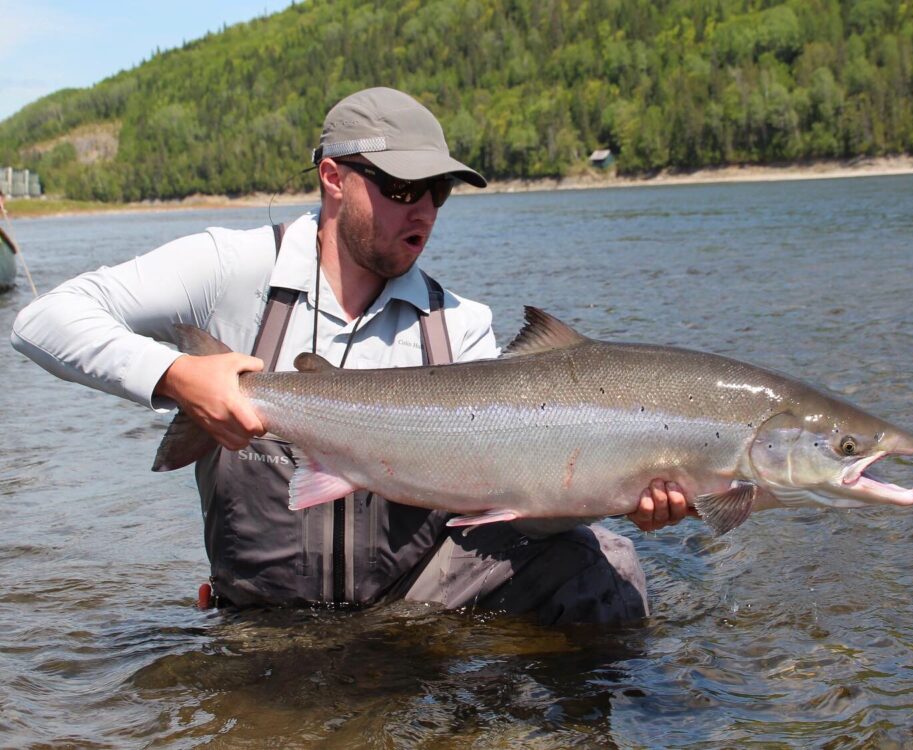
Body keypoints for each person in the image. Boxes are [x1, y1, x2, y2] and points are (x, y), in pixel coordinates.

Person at [11, 87, 694, 623]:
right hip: (266, 612)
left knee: (606, 564)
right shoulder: (228, 268)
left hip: (414, 608)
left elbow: (518, 505)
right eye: (400, 189)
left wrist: (612, 493)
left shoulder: (460, 325)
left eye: (439, 191)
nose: (422, 210)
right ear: (334, 178)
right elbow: (45, 320)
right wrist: (177, 375)